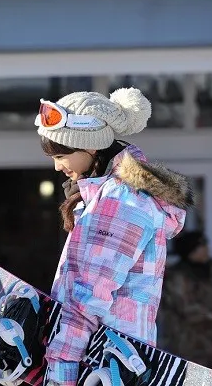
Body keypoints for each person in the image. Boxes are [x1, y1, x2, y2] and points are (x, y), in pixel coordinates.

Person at [34, 88, 194, 386]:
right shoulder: (102, 197)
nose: (57, 166)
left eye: (61, 155)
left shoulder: (121, 200)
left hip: (102, 356)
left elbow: (91, 292)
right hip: (106, 353)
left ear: (91, 147)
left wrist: (60, 362)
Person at [158, 231, 212, 374]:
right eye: (202, 245)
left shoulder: (202, 273)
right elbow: (189, 309)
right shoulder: (179, 277)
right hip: (193, 352)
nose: (207, 249)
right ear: (192, 250)